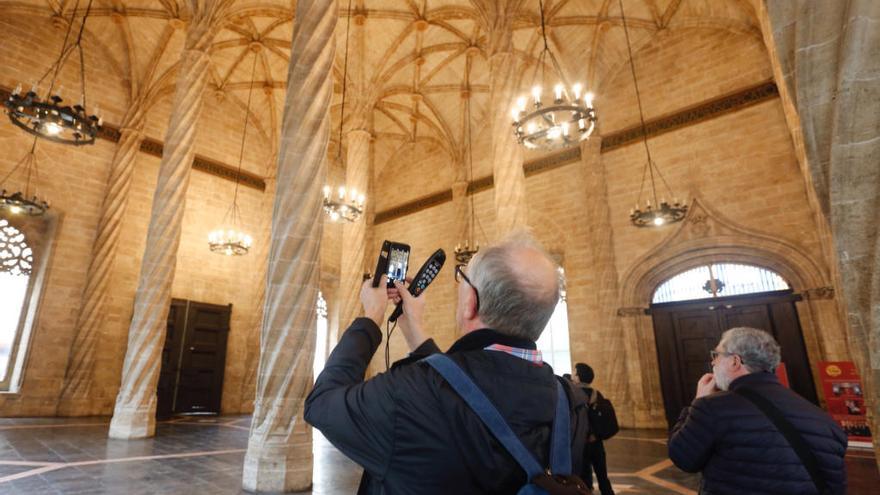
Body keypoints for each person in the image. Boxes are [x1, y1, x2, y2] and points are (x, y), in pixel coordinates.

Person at [304, 233, 589, 494]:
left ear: (471, 303)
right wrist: (414, 326)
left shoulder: (411, 393)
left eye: (462, 278)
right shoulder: (570, 404)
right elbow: (466, 392)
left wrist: (372, 316)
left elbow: (322, 402)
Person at [668, 327, 847, 495]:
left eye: (717, 355)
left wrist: (697, 402)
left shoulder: (713, 407)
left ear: (735, 361)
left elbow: (683, 457)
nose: (713, 362)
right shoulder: (823, 419)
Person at [572, 363, 615, 495]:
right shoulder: (597, 394)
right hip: (596, 442)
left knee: (585, 480)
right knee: (603, 477)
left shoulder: (574, 395)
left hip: (581, 444)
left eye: (574, 373)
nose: (572, 375)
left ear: (579, 377)